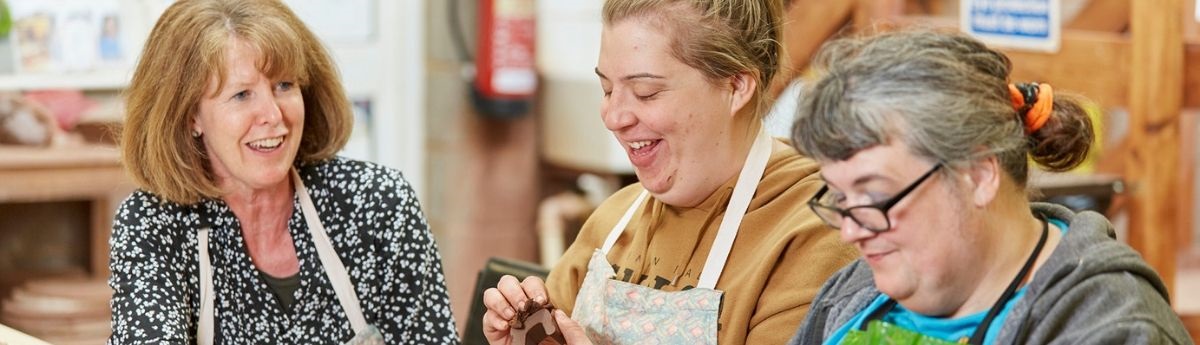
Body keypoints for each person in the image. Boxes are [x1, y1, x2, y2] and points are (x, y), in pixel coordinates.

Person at [482, 0, 857, 344]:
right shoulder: (613, 220)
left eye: (646, 92)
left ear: (736, 86)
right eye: (608, 89)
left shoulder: (818, 233)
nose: (614, 118)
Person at [787, 29, 1192, 344]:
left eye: (874, 195)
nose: (850, 230)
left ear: (979, 175)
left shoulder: (1109, 327)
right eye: (841, 198)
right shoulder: (854, 291)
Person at [108, 0, 458, 343]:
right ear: (191, 117)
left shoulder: (378, 203)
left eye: (284, 86)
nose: (273, 115)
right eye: (243, 94)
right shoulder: (153, 225)